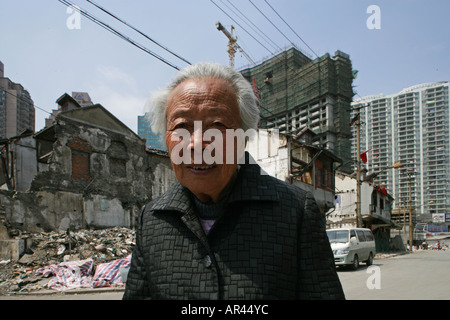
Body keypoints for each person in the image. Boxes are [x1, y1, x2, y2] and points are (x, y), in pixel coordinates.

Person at [123, 62, 345, 300]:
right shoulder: (153, 219)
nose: (197, 143)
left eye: (217, 126)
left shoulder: (295, 213)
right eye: (181, 127)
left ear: (244, 137)